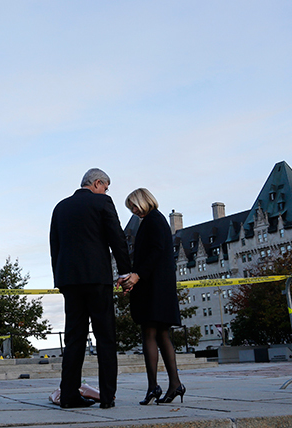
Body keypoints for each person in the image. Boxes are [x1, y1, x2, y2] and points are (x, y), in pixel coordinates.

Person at [50, 168, 132, 409]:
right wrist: (125, 272)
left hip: (69, 280)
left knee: (74, 337)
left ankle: (68, 396)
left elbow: (55, 245)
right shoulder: (102, 202)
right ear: (97, 183)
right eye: (105, 187)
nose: (106, 191)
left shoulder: (60, 207)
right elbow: (116, 237)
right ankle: (107, 397)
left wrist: (60, 278)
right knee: (105, 337)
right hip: (97, 278)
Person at [119, 188, 185, 405]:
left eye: (134, 206)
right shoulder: (154, 220)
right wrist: (132, 277)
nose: (134, 211)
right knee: (161, 334)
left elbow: (155, 252)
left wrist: (137, 276)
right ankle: (173, 384)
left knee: (150, 333)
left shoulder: (153, 221)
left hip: (154, 287)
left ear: (143, 201)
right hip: (158, 285)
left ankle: (154, 386)